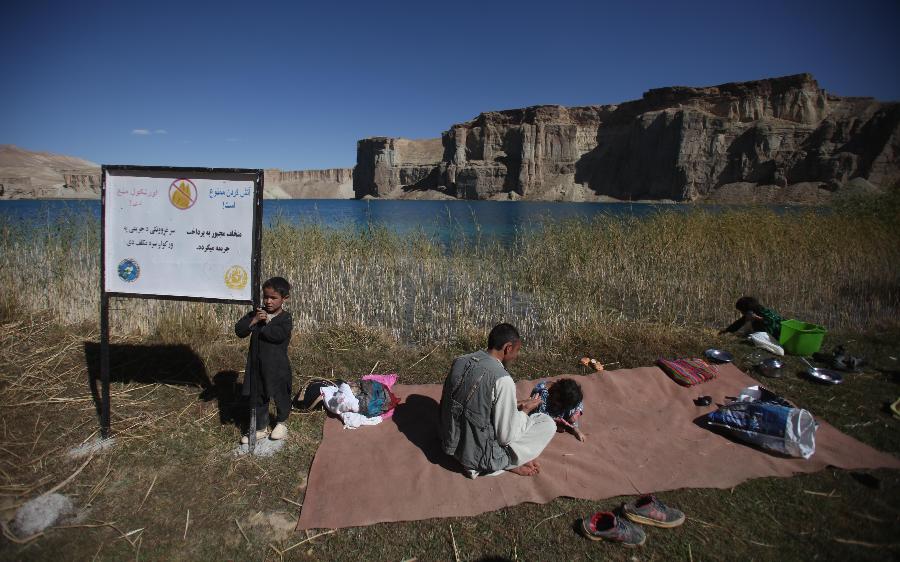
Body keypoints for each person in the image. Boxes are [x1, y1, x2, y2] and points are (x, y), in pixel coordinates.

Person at [439, 323, 556, 478]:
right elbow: (505, 436)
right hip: (476, 458)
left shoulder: (460, 360)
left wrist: (517, 404)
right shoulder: (503, 380)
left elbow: (475, 403)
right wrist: (525, 411)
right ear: (508, 348)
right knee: (546, 423)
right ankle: (508, 461)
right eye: (517, 350)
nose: (516, 356)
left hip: (449, 442)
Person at [235, 277, 293, 443]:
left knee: (280, 394)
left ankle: (281, 422)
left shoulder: (285, 319)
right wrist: (254, 320)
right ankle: (261, 427)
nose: (268, 301)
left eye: (273, 298)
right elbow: (239, 330)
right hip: (256, 366)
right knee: (258, 396)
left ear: (284, 299)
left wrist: (266, 322)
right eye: (265, 297)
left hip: (278, 367)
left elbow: (278, 336)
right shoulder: (257, 314)